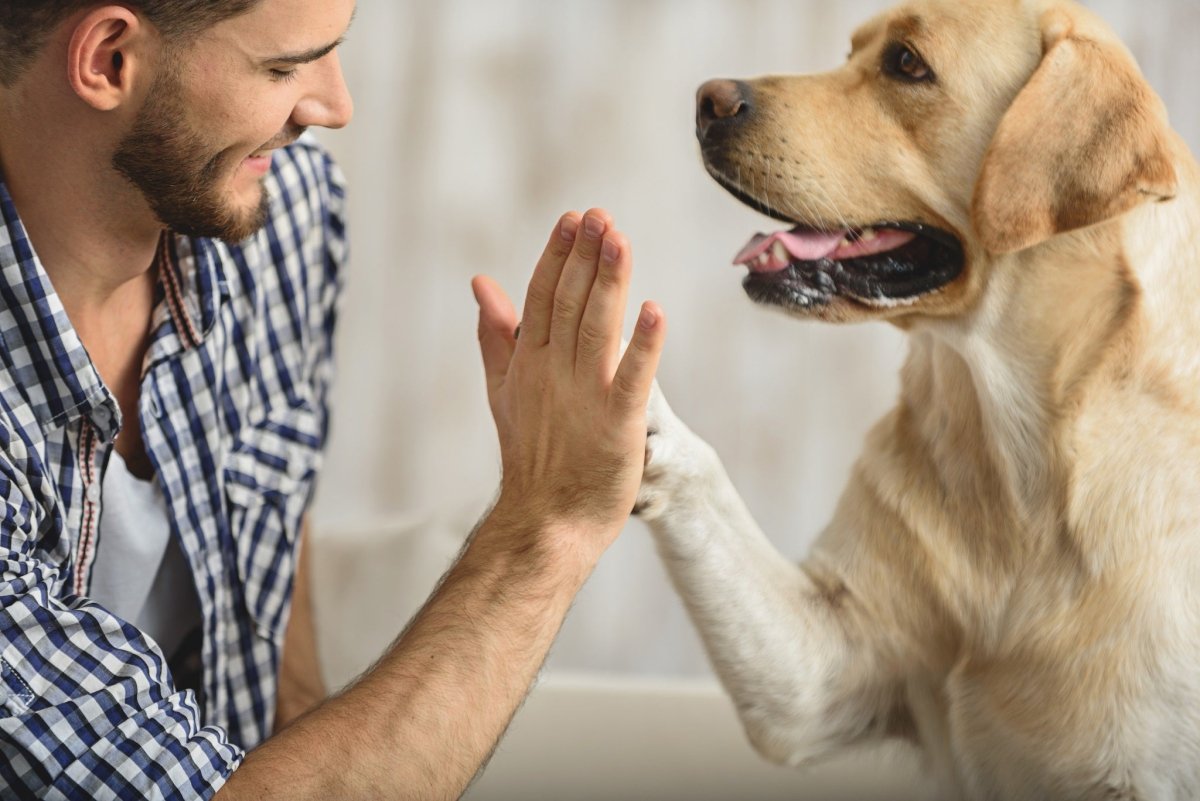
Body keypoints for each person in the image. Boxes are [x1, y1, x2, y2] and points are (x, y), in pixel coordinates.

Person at [0, 0, 666, 798]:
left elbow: (272, 569)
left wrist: (303, 717)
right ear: (108, 59)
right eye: (282, 68)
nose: (334, 107)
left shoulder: (280, 212)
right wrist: (548, 527)